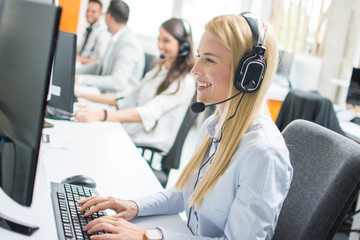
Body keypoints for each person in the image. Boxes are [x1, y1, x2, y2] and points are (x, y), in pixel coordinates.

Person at [77, 13, 293, 239]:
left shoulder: (263, 154)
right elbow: (184, 194)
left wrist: (149, 236)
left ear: (248, 74)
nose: (194, 69)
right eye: (199, 56)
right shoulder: (214, 125)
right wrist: (133, 205)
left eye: (209, 60)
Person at [75, 18, 196, 155]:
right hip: (131, 134)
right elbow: (126, 96)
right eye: (159, 39)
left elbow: (147, 112)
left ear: (183, 46)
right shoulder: (160, 70)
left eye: (166, 40)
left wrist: (101, 115)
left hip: (144, 148)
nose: (160, 45)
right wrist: (80, 94)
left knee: (89, 144)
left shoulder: (185, 82)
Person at [76, 0, 144, 94]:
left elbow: (117, 82)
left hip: (115, 101)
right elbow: (100, 66)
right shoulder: (115, 38)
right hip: (103, 93)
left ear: (109, 16)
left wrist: (82, 79)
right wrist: (75, 72)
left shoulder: (129, 44)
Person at [76, 0, 111, 65]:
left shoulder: (103, 33)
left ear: (101, 14)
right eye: (88, 10)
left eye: (93, 12)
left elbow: (100, 61)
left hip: (86, 70)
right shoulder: (89, 29)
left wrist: (79, 59)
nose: (89, 14)